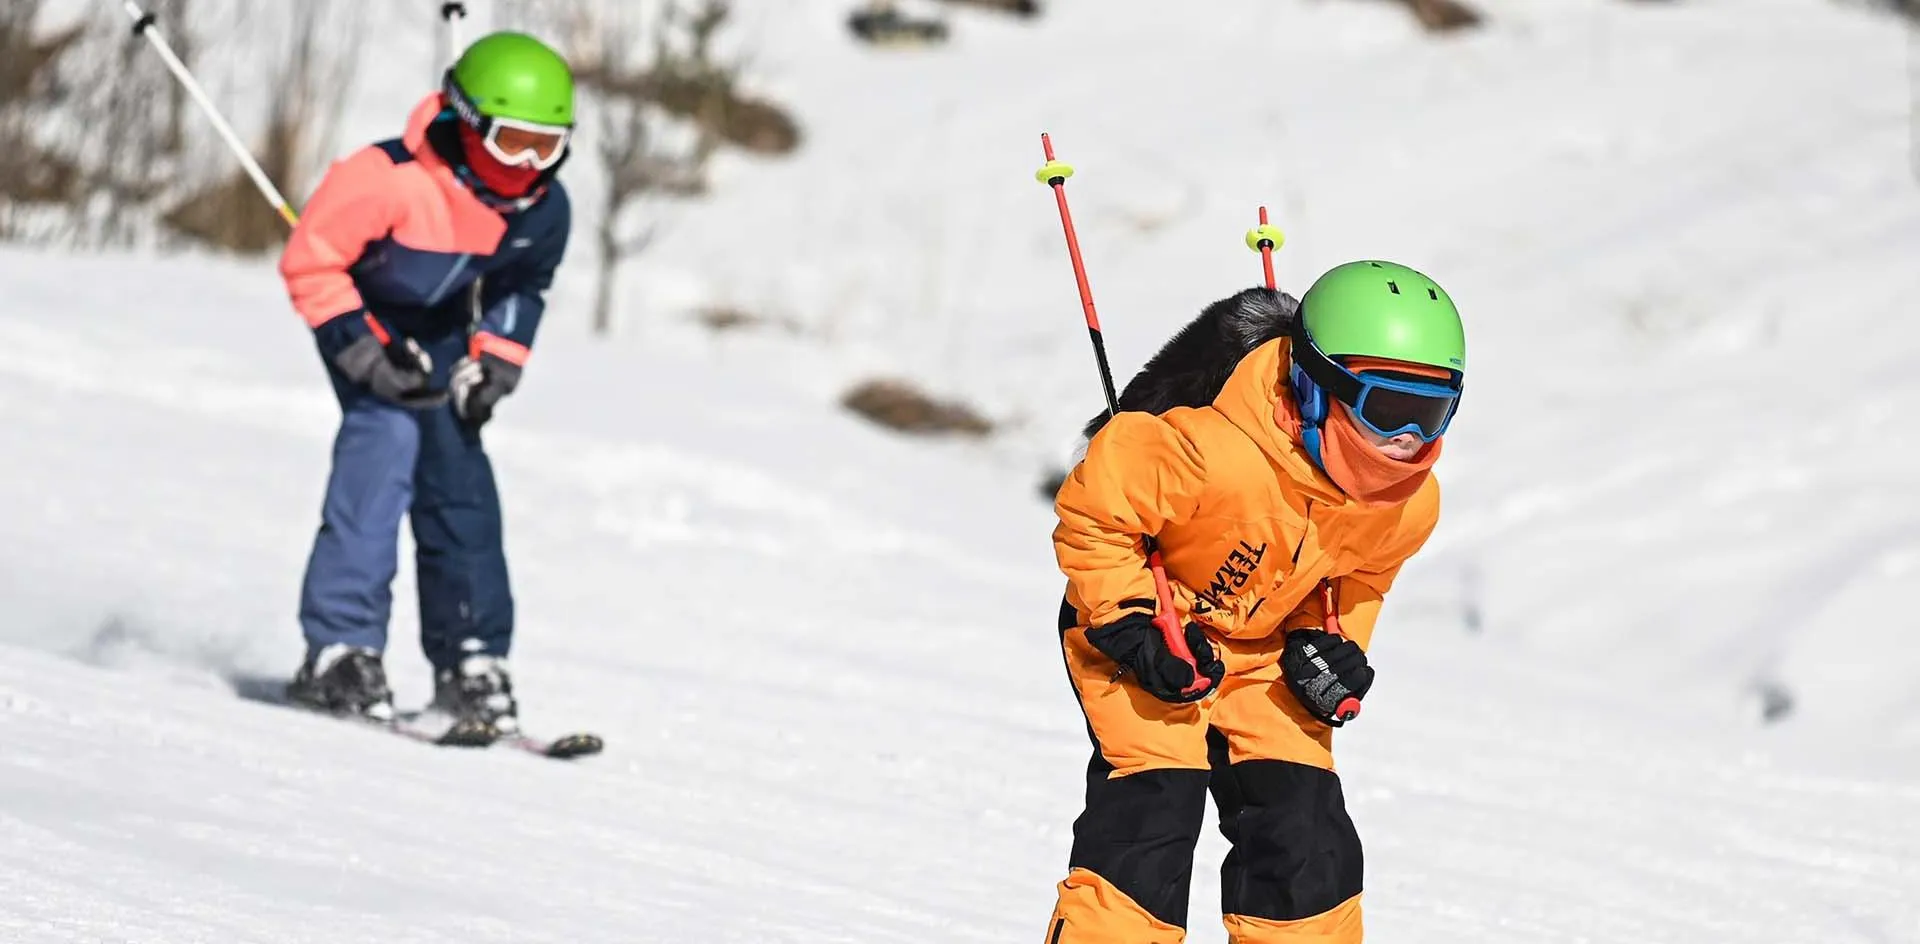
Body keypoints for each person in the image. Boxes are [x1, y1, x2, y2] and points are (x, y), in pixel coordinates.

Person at [1043, 261, 1467, 943]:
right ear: (1315, 386)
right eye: (1387, 409)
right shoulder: (1210, 451)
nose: (1407, 443)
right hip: (1154, 629)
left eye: (1430, 413)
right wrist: (1128, 620)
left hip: (1265, 647)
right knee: (1153, 813)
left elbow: (1359, 578)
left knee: (1305, 838)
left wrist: (1329, 648)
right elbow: (1097, 513)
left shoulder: (1409, 505)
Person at [275, 31, 575, 735]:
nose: (529, 166)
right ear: (468, 122)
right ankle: (339, 652)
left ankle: (470, 660)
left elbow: (522, 286)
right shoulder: (385, 178)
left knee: (458, 471)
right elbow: (312, 264)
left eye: (548, 146)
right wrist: (364, 352)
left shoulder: (541, 209)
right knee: (383, 441)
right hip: (358, 311)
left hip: (437, 329)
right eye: (513, 143)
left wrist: (497, 359)